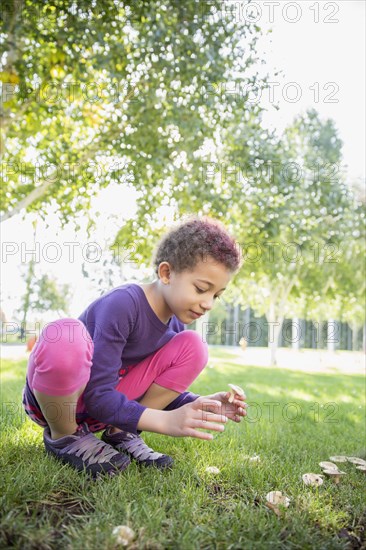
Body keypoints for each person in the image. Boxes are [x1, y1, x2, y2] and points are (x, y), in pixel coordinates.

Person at [22, 216, 247, 478]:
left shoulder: (176, 326)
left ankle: (122, 432)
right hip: (63, 401)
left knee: (194, 346)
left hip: (108, 411)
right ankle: (65, 437)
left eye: (216, 295)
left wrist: (201, 402)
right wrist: (164, 421)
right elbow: (97, 395)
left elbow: (150, 387)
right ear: (166, 273)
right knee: (64, 333)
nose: (208, 303)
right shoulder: (124, 305)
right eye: (201, 289)